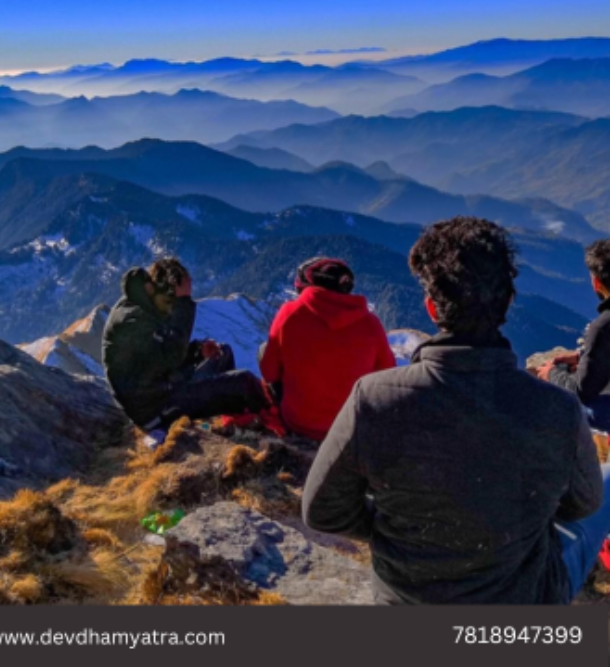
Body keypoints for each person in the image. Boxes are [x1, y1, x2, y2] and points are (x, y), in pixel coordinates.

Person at [302, 217, 608, 604]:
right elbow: (581, 504)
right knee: (607, 481)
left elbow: (322, 512)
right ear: (508, 302)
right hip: (520, 603)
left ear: (432, 308)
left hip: (406, 603)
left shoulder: (374, 399)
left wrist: (397, 530)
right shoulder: (558, 409)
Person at [102, 258, 268, 432]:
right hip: (155, 410)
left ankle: (236, 421)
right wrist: (184, 304)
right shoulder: (133, 321)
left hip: (163, 388)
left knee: (223, 353)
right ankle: (274, 425)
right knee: (244, 381)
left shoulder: (146, 305)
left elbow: (160, 358)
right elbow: (170, 357)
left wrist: (197, 352)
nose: (173, 307)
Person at [259, 257, 396, 441]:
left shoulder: (289, 313)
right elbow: (386, 377)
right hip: (349, 427)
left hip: (298, 422)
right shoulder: (371, 323)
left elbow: (269, 372)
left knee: (264, 350)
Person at [537, 239, 610, 429]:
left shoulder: (604, 327)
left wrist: (551, 374)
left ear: (596, 282)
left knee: (567, 404)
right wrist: (583, 355)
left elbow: (581, 391)